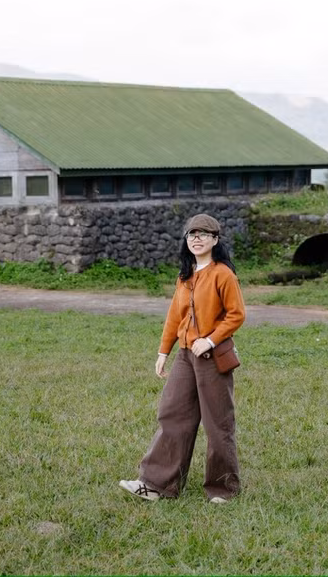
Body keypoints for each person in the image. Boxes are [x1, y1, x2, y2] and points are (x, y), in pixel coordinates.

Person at [119, 213, 245, 503]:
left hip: (213, 356)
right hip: (185, 356)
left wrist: (210, 340)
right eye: (192, 234)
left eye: (203, 234)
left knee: (217, 422)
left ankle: (224, 490)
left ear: (215, 240)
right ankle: (156, 485)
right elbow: (175, 316)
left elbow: (236, 314)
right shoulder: (185, 276)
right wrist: (164, 351)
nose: (197, 239)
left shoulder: (223, 274)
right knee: (172, 413)